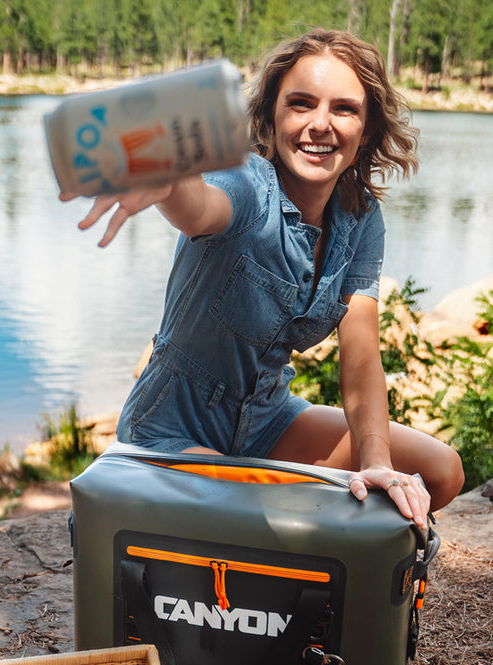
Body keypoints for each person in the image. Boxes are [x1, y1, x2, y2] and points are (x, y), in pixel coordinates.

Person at [64, 28, 463, 530]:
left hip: (269, 419)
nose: (320, 124)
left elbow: (361, 362)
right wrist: (169, 181)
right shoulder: (250, 185)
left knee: (440, 471)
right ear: (271, 121)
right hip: (170, 428)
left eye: (343, 109)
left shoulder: (360, 220)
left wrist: (376, 462)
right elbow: (200, 207)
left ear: (365, 133)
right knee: (255, 522)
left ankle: (263, 491)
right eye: (300, 104)